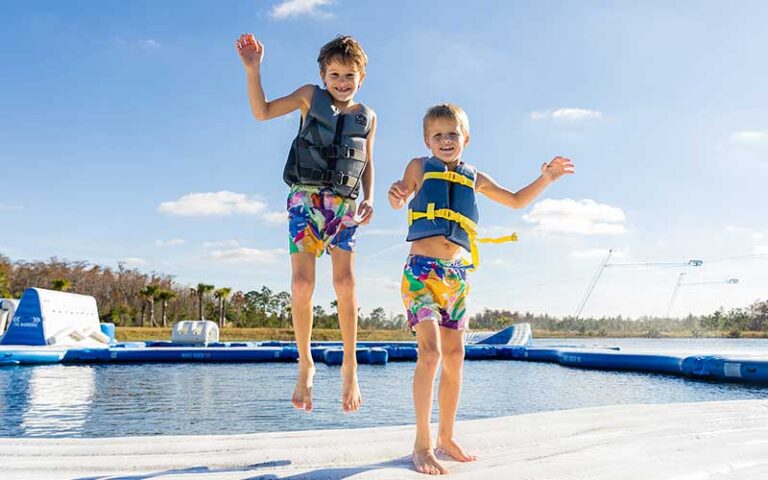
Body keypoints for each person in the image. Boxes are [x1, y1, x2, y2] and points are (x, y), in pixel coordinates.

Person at [388, 104, 574, 475]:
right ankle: (421, 444)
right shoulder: (418, 166)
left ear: (465, 139)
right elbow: (403, 193)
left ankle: (446, 437)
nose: (445, 140)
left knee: (455, 358)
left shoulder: (475, 176)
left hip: (457, 275)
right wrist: (397, 196)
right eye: (438, 135)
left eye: (452, 134)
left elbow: (517, 200)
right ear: (427, 140)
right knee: (430, 353)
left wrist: (547, 179)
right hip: (422, 272)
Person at [236, 34, 376, 413]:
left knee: (345, 282)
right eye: (334, 74)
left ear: (361, 77)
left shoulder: (368, 116)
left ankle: (350, 365)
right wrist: (254, 69)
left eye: (349, 75)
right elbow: (262, 112)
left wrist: (370, 199)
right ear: (322, 74)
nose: (342, 82)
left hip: (344, 206)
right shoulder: (307, 96)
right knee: (302, 284)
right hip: (305, 198)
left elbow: (366, 161)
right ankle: (306, 362)